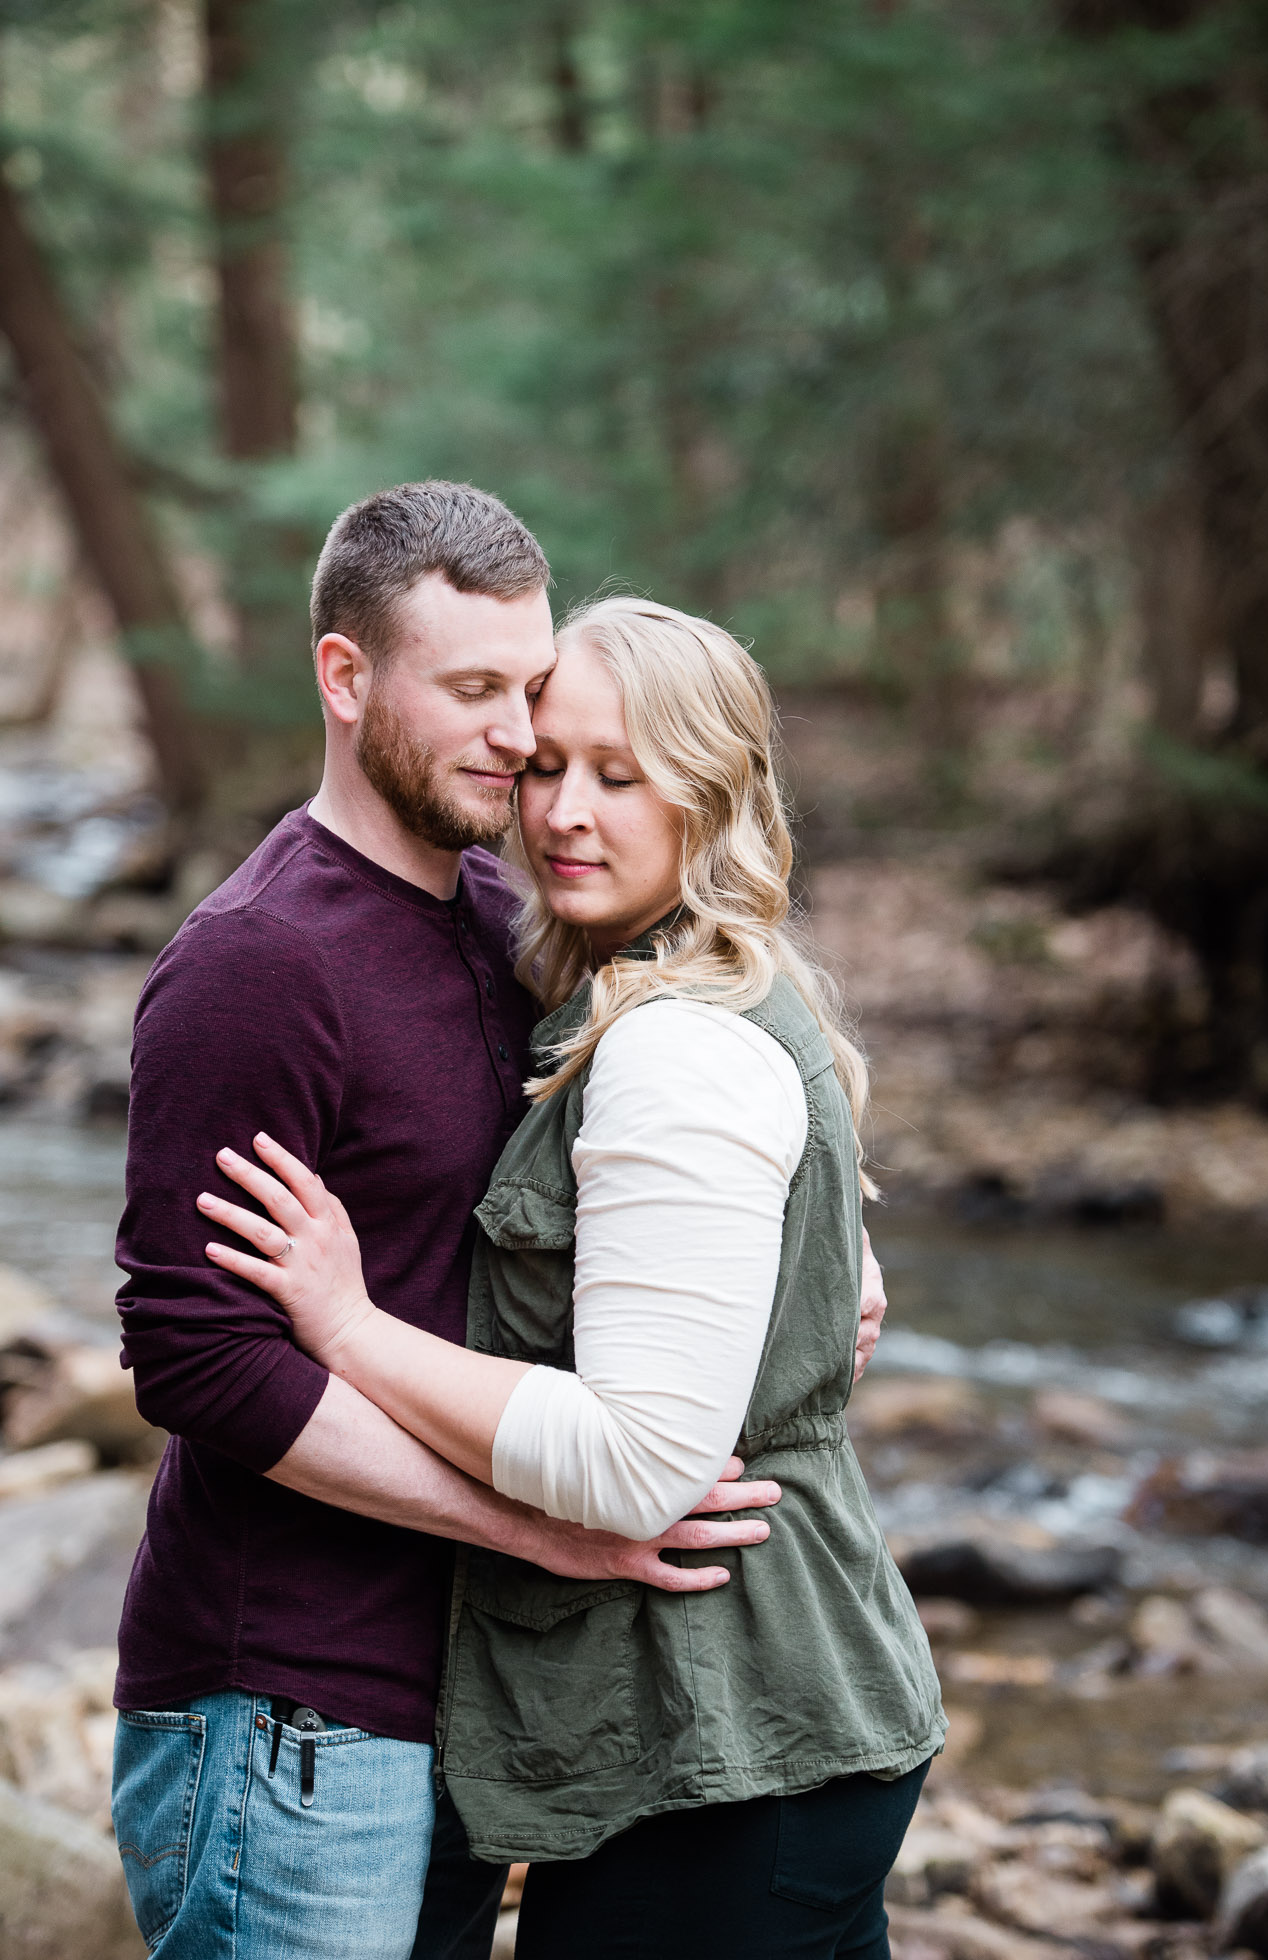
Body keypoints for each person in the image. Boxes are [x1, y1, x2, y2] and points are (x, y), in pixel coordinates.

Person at [199, 594, 946, 1960]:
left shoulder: (674, 1045)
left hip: (733, 1750)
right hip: (767, 1737)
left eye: (622, 773)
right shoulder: (650, 986)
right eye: (547, 766)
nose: (564, 814)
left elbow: (637, 1468)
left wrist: (349, 1325)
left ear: (710, 792)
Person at [111, 486, 802, 1960]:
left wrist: (821, 1266)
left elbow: (648, 1171)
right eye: (475, 690)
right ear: (345, 681)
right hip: (286, 1713)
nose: (517, 736)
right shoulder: (255, 964)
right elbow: (195, 1358)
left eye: (530, 688)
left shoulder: (512, 918)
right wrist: (532, 1530)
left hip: (469, 1697)